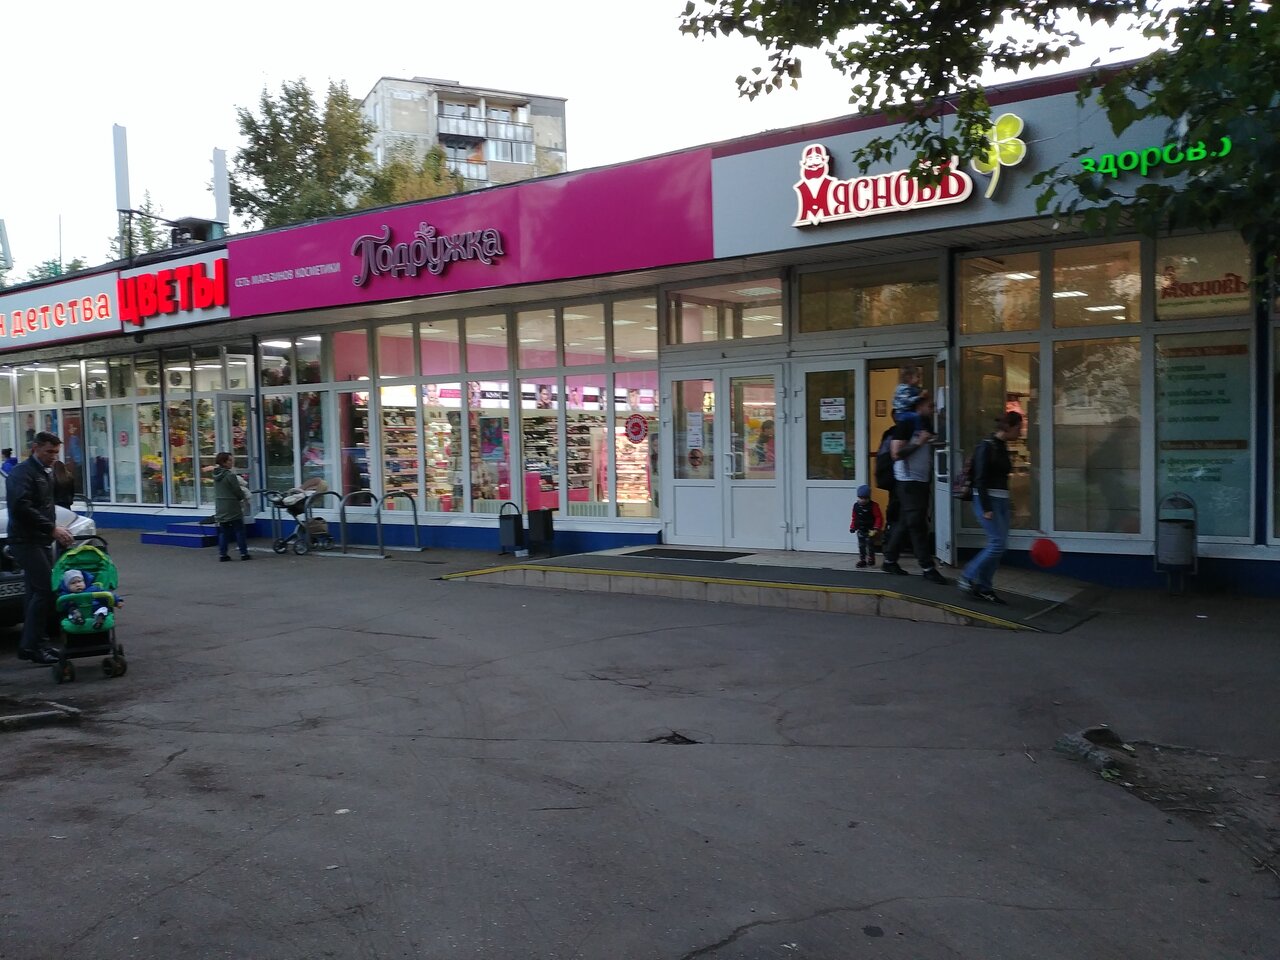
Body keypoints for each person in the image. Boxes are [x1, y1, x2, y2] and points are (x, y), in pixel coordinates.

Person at [6, 432, 76, 664]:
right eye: (49, 452)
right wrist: (52, 528)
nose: (53, 456)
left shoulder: (44, 472)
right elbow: (21, 507)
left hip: (40, 539)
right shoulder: (22, 473)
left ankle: (35, 645)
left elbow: (46, 506)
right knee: (46, 590)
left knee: (35, 593)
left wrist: (54, 530)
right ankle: (33, 646)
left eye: (56, 452)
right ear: (35, 448)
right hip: (25, 540)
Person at [959, 411, 1025, 604]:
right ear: (1009, 427)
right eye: (1018, 428)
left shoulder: (1002, 446)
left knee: (1000, 545)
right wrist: (987, 507)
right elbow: (980, 479)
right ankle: (968, 575)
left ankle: (984, 586)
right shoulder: (986, 446)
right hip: (987, 500)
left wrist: (1009, 504)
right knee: (997, 543)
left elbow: (1002, 479)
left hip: (1001, 501)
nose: (1020, 432)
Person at [881, 391, 946, 584]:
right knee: (917, 524)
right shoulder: (906, 423)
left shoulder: (925, 422)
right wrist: (920, 441)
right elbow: (896, 454)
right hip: (908, 481)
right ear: (919, 405)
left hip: (920, 479)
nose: (933, 409)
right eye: (930, 405)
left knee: (904, 521)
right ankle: (927, 567)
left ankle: (889, 560)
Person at [207, 451, 252, 561]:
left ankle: (223, 554)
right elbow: (237, 490)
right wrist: (243, 498)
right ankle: (244, 553)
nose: (232, 462)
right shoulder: (230, 475)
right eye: (230, 460)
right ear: (224, 462)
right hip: (232, 505)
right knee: (239, 530)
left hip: (221, 505)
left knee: (224, 531)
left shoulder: (215, 475)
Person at [849, 484, 884, 568]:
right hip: (860, 530)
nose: (863, 500)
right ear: (858, 497)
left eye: (865, 498)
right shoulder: (856, 506)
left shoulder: (873, 506)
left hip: (870, 530)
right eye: (861, 498)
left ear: (869, 498)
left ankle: (871, 558)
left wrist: (876, 527)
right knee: (861, 546)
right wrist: (853, 526)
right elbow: (854, 517)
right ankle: (862, 560)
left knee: (870, 545)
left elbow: (878, 517)